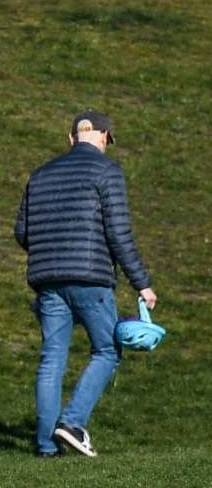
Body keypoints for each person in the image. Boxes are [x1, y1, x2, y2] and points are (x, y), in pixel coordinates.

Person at [13, 109, 158, 458]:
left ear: (71, 138)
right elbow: (118, 235)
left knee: (52, 359)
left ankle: (47, 446)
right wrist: (143, 284)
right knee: (107, 350)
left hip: (47, 280)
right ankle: (72, 422)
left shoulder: (40, 174)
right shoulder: (107, 170)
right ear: (105, 137)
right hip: (91, 278)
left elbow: (22, 233)